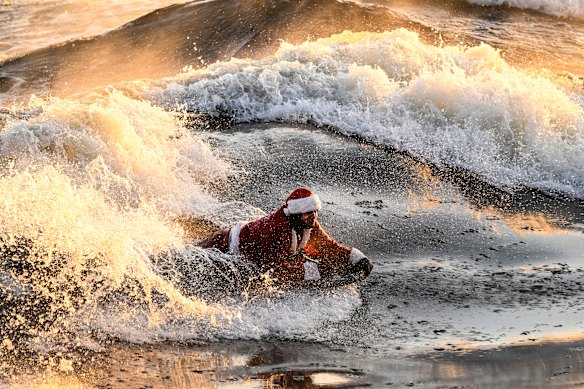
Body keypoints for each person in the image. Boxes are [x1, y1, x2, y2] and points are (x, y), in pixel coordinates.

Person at [199, 187, 373, 283]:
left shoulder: (308, 223)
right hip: (224, 246)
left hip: (238, 245)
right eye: (308, 213)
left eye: (314, 212)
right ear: (297, 213)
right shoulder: (277, 229)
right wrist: (316, 271)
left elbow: (327, 246)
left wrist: (355, 258)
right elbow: (274, 269)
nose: (313, 216)